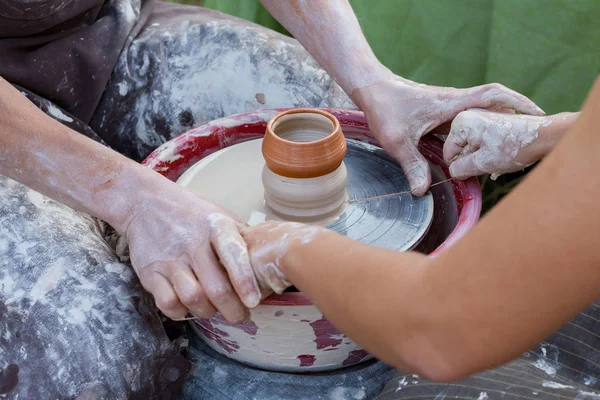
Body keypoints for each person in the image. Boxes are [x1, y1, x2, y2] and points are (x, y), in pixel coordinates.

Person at [0, 0, 544, 398]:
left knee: (324, 109)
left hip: (101, 31)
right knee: (94, 352)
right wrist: (133, 199)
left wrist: (375, 84)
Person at [242, 78, 600, 398]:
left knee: (428, 389)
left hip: (443, 329)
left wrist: (289, 247)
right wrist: (546, 134)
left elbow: (442, 331)